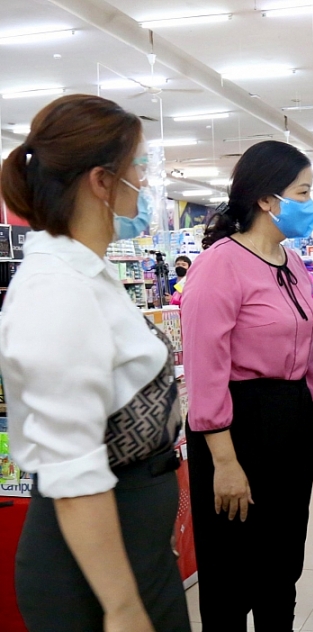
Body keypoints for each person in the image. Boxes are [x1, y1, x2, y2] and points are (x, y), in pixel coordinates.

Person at [0, 94, 189, 631]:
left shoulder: (88, 274)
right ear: (102, 181)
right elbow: (71, 467)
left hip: (131, 546)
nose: (147, 185)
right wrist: (123, 607)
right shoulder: (56, 289)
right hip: (90, 572)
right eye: (140, 169)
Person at [180, 140, 313, 630]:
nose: (311, 205)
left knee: (280, 561)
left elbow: (306, 344)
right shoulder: (218, 265)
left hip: (287, 421)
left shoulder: (294, 263)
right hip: (236, 427)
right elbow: (205, 369)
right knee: (231, 568)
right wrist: (224, 462)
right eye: (303, 193)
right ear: (267, 199)